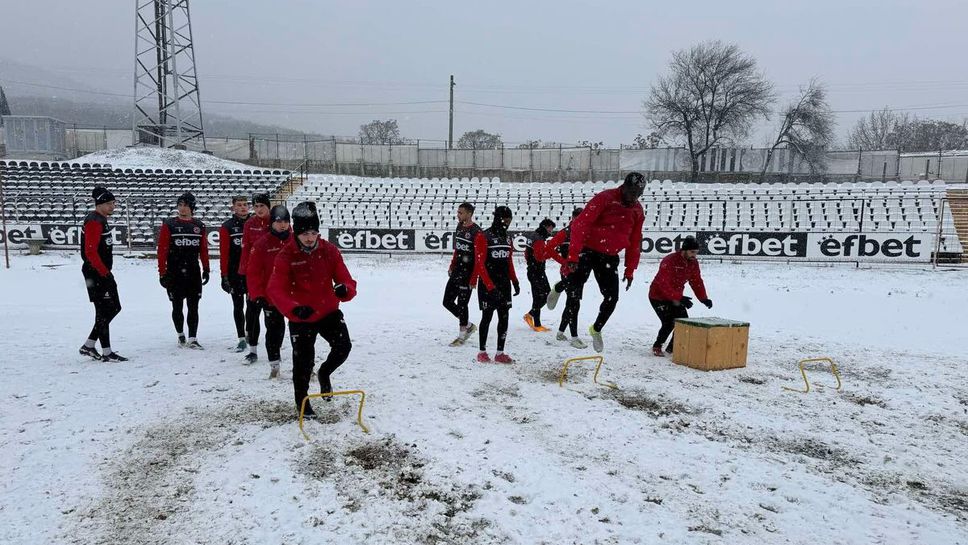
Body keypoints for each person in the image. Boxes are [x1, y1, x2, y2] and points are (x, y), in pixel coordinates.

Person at [267, 201, 356, 418]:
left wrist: (345, 289)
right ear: (296, 233)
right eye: (305, 233)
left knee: (343, 346)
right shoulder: (286, 254)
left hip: (327, 311)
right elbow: (275, 289)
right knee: (303, 363)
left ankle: (324, 372)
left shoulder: (329, 250)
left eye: (314, 233)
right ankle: (303, 403)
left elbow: (346, 279)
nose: (309, 238)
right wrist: (294, 309)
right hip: (302, 315)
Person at [545, 172, 646, 352]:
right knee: (574, 293)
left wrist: (630, 269)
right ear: (624, 187)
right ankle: (559, 289)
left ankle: (596, 329)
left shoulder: (637, 210)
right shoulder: (605, 198)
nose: (634, 197)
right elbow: (580, 224)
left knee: (612, 298)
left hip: (609, 257)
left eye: (638, 194)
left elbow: (635, 240)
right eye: (632, 193)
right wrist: (573, 255)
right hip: (588, 250)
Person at [79, 186, 127, 362]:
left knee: (109, 309)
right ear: (99, 204)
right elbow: (90, 252)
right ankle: (105, 352)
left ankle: (90, 345)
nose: (113, 206)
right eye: (109, 203)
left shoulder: (100, 219)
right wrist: (104, 273)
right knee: (106, 309)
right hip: (96, 273)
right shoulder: (94, 221)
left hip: (100, 272)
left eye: (114, 203)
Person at [157, 192, 210, 349]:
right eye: (180, 205)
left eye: (185, 205)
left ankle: (193, 338)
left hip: (193, 272)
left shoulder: (199, 225)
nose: (182, 208)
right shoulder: (169, 224)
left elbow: (203, 250)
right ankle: (181, 335)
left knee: (194, 306)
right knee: (177, 306)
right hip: (175, 272)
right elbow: (162, 250)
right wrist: (162, 272)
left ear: (192, 207)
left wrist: (206, 269)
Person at [246, 205, 292, 379]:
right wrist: (257, 294)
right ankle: (274, 365)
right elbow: (253, 272)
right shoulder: (261, 244)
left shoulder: (295, 240)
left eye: (286, 221)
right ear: (272, 222)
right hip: (271, 296)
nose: (283, 225)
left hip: (293, 295)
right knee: (274, 330)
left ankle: (305, 365)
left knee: (300, 331)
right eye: (279, 221)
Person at [470, 206, 519, 364]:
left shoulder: (507, 238)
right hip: (488, 285)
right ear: (499, 218)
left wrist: (514, 280)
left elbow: (509, 261)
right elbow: (480, 264)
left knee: (504, 317)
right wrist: (490, 287)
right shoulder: (483, 236)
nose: (508, 223)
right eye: (506, 219)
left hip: (504, 284)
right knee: (487, 317)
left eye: (510, 220)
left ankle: (500, 352)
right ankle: (482, 351)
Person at [648, 236, 711, 357]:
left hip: (675, 297)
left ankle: (672, 349)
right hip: (658, 296)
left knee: (683, 322)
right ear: (684, 250)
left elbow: (696, 281)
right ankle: (657, 346)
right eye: (692, 252)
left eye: (696, 252)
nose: (694, 255)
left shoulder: (693, 263)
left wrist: (703, 298)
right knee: (669, 323)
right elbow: (663, 284)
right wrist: (679, 297)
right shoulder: (669, 260)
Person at [542, 207, 586, 349]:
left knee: (572, 303)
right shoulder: (565, 233)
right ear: (573, 218)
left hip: (581, 274)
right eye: (578, 218)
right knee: (574, 304)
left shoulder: (586, 232)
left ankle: (560, 332)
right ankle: (574, 337)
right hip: (568, 273)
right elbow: (549, 248)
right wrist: (564, 262)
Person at [239, 192, 272, 363]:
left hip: (273, 275)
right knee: (252, 313)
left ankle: (274, 350)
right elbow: (245, 249)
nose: (259, 209)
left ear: (268, 206)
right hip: (254, 275)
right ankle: (252, 350)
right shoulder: (249, 224)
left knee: (273, 316)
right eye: (256, 206)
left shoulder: (277, 221)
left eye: (262, 206)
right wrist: (243, 273)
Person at [443, 202, 482, 346]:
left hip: (468, 273)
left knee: (462, 303)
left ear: (469, 214)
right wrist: (452, 265)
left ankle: (461, 336)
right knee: (447, 302)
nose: (458, 215)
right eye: (457, 212)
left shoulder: (477, 232)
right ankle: (468, 325)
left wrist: (474, 278)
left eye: (461, 213)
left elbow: (478, 258)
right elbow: (457, 250)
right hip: (457, 271)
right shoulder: (459, 227)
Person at [219, 196, 251, 352]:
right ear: (233, 208)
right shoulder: (227, 226)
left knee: (252, 307)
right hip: (235, 274)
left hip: (253, 273)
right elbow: (224, 253)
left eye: (245, 204)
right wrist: (224, 275)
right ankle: (241, 338)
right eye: (239, 205)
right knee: (238, 306)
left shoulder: (255, 224)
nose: (243, 207)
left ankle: (250, 333)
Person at [522, 218, 555, 332]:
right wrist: (549, 254)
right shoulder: (539, 239)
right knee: (544, 295)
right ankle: (536, 323)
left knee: (540, 296)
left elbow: (526, 254)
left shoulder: (533, 235)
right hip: (537, 271)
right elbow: (539, 257)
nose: (551, 231)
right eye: (550, 228)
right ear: (545, 227)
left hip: (533, 270)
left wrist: (531, 263)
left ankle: (531, 317)